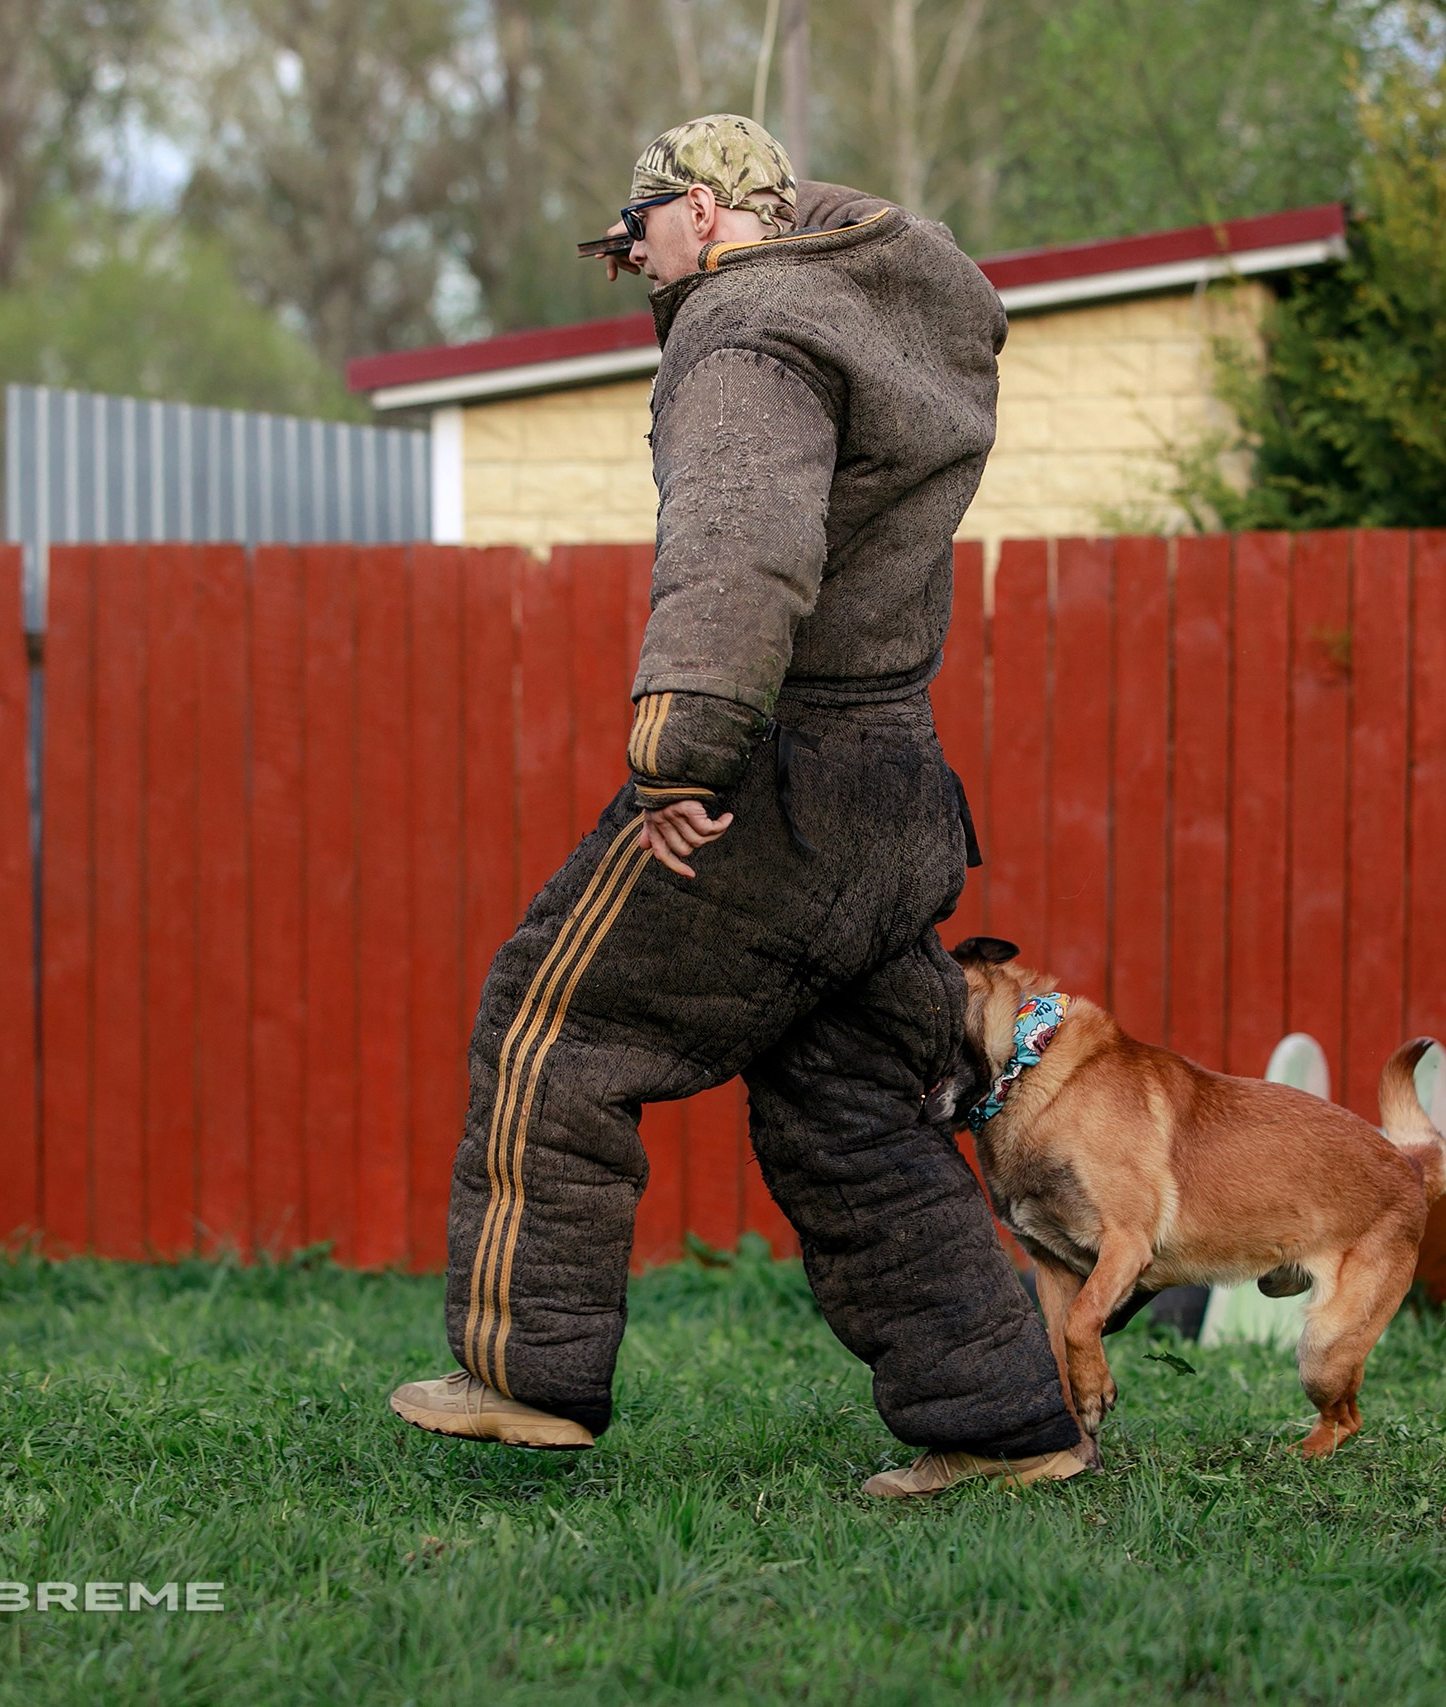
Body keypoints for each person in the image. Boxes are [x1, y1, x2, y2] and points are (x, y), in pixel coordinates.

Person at [388, 114, 1087, 1497]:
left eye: (637, 236)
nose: (631, 267)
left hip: (778, 775)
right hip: (897, 787)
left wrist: (684, 748)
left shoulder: (747, 334)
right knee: (852, 1107)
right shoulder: (880, 314)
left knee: (557, 1024)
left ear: (701, 212)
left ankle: (526, 1376)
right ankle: (1004, 1421)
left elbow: (746, 542)